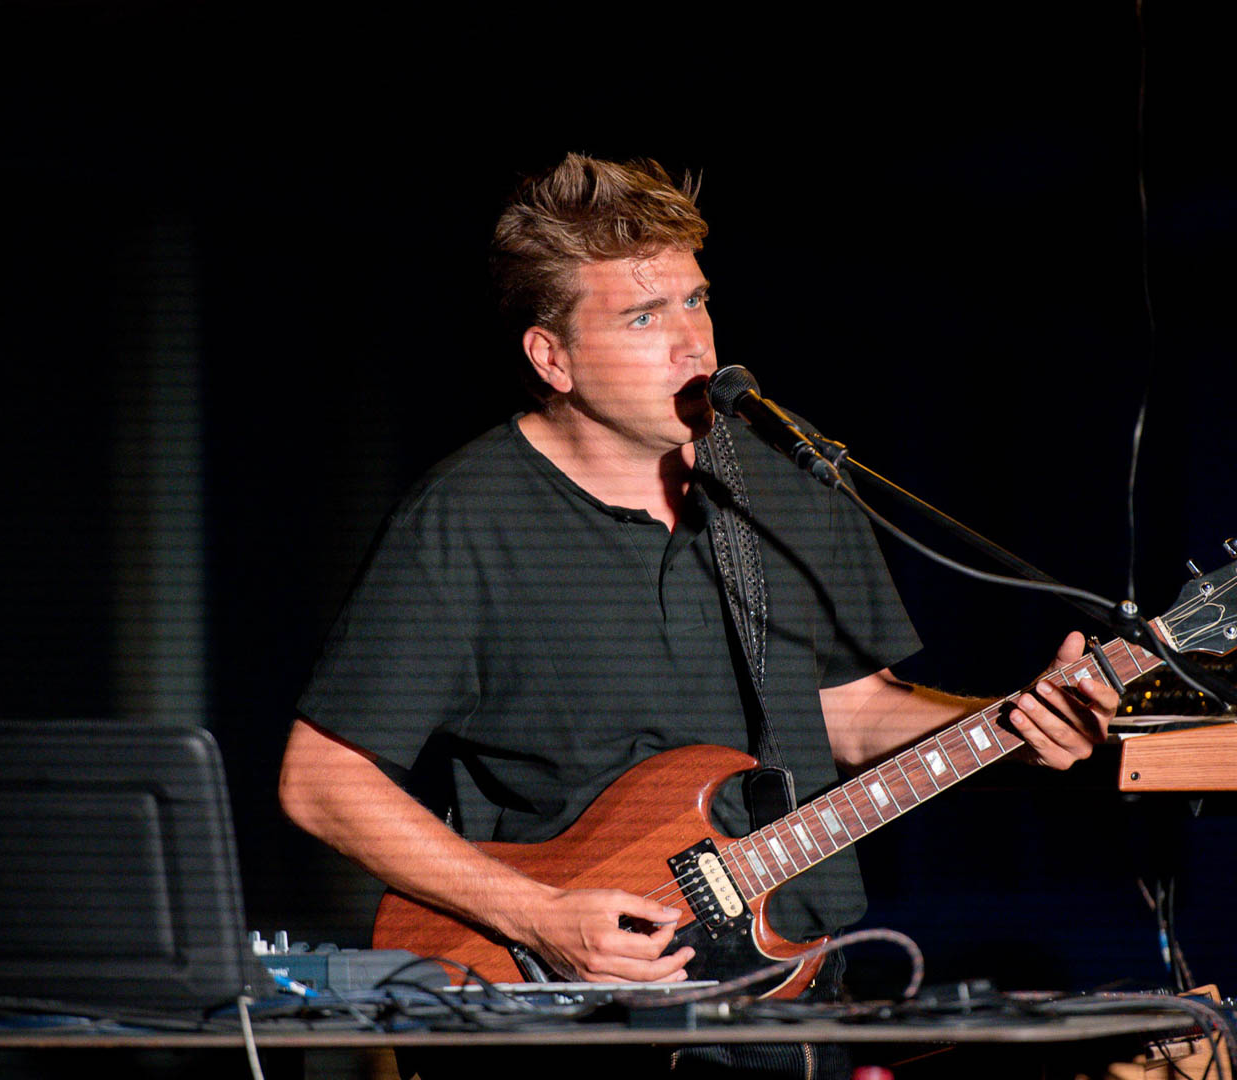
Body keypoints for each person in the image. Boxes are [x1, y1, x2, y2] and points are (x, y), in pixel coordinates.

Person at [278, 153, 1117, 1070]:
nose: (694, 345)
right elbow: (322, 781)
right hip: (572, 1017)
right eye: (644, 316)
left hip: (789, 1005)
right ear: (552, 357)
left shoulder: (787, 484)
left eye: (696, 300)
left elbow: (851, 712)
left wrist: (1013, 726)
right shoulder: (467, 521)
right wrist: (538, 916)